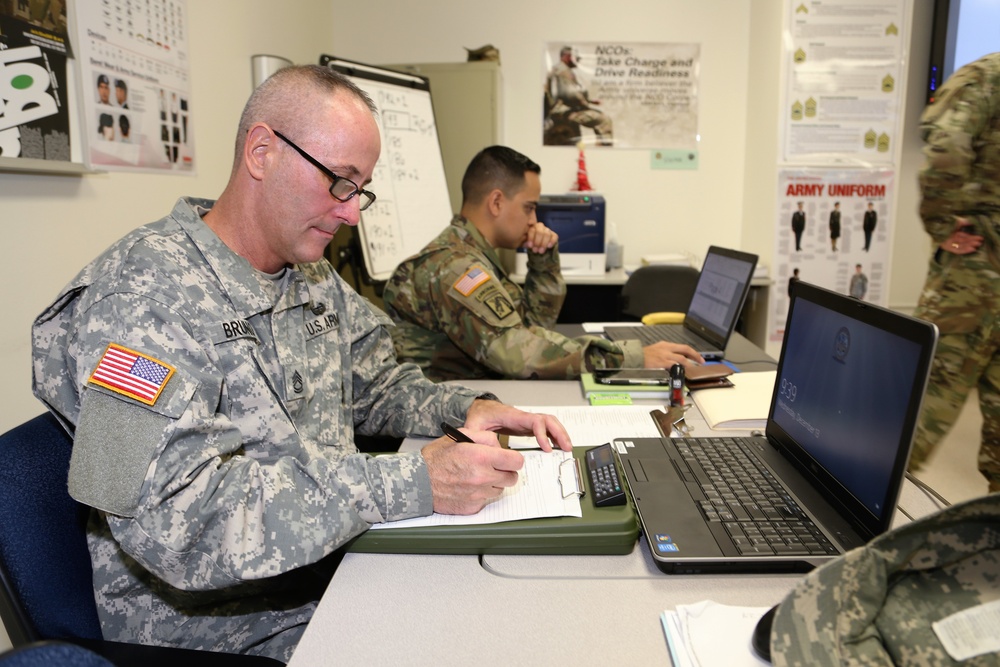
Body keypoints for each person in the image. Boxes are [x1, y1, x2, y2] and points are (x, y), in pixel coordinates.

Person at [30, 65, 572, 663]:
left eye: (360, 189)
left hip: (333, 570)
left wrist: (468, 406)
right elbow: (177, 524)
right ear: (261, 152)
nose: (352, 214)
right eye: (340, 182)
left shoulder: (306, 270)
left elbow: (375, 383)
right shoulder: (135, 300)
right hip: (229, 632)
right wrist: (413, 481)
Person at [382, 145, 702, 381]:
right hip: (443, 427)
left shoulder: (473, 256)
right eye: (529, 207)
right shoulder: (455, 268)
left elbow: (533, 326)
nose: (535, 220)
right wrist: (635, 356)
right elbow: (520, 353)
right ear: (496, 202)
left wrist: (543, 263)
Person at [907, 51, 1000, 493]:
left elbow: (946, 146)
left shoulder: (986, 76)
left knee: (917, 411)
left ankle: (842, 529)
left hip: (977, 273)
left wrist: (943, 224)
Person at [544, 46, 613, 146]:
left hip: (559, 109)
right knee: (603, 120)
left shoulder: (556, 69)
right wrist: (587, 105)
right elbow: (573, 96)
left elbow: (564, 94)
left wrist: (589, 101)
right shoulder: (564, 71)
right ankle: (606, 149)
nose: (578, 60)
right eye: (576, 57)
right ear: (567, 57)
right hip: (565, 111)